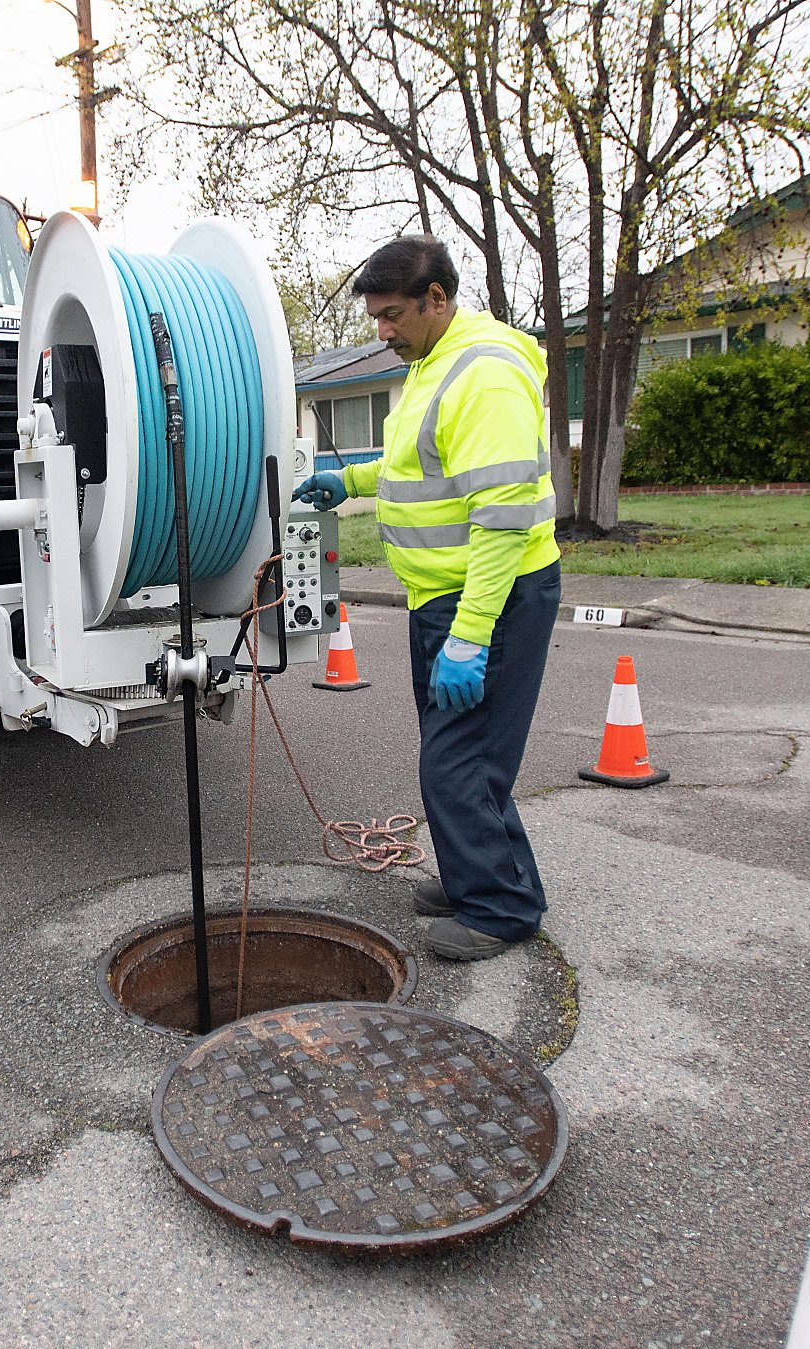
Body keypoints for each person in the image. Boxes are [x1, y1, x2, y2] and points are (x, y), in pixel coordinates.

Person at [292, 236, 560, 960]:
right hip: (444, 597)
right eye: (375, 317)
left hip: (488, 598)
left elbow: (502, 516)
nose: (381, 332)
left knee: (458, 761)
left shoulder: (485, 375)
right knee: (463, 756)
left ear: (437, 298)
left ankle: (501, 906)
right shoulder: (437, 362)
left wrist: (470, 633)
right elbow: (421, 465)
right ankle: (482, 873)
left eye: (391, 315)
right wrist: (349, 483)